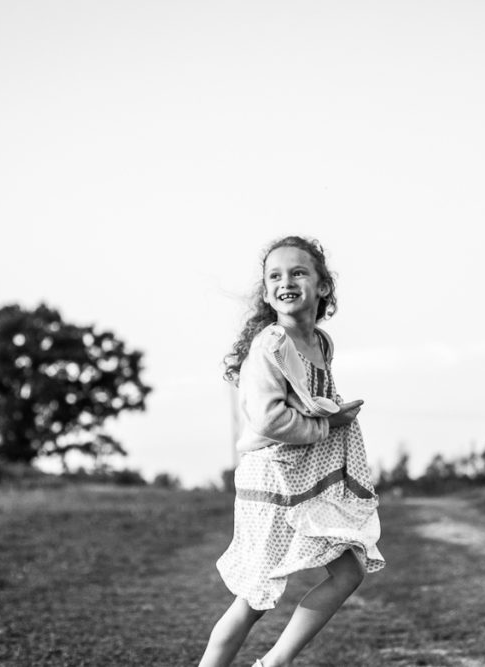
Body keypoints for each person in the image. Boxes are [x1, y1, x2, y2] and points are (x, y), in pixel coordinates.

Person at [198, 236, 385, 667]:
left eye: (299, 272)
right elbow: (269, 420)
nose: (287, 282)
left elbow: (307, 401)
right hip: (271, 477)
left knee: (349, 571)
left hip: (306, 477)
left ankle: (274, 662)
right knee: (255, 598)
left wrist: (333, 411)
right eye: (275, 276)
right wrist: (327, 423)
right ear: (266, 294)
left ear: (322, 287)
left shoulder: (321, 342)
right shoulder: (270, 346)